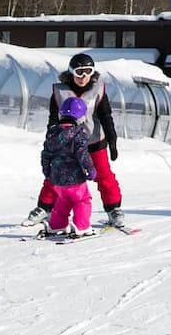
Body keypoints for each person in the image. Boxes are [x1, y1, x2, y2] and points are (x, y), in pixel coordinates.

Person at [23, 53, 127, 231]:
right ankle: (44, 207)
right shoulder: (59, 91)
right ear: (72, 72)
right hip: (67, 140)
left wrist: (112, 139)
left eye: (88, 72)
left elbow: (105, 115)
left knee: (103, 174)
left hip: (94, 140)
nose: (83, 77)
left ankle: (113, 209)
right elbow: (53, 118)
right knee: (56, 173)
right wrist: (52, 138)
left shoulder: (98, 89)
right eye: (79, 72)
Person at [39, 97, 99, 239]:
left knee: (62, 202)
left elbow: (46, 154)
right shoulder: (79, 134)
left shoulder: (52, 133)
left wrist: (47, 171)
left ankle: (57, 225)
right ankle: (81, 226)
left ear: (61, 114)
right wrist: (91, 169)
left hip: (57, 180)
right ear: (81, 118)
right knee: (82, 200)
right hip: (75, 179)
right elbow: (82, 154)